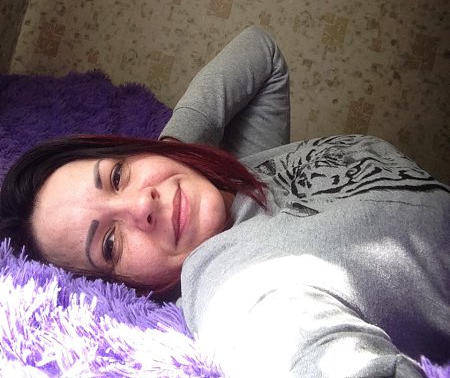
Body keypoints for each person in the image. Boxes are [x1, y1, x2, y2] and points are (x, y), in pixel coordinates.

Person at [0, 27, 449, 378]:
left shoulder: (244, 175)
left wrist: (173, 152)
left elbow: (261, 53)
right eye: (110, 244)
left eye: (117, 176)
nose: (141, 207)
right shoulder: (232, 284)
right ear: (124, 286)